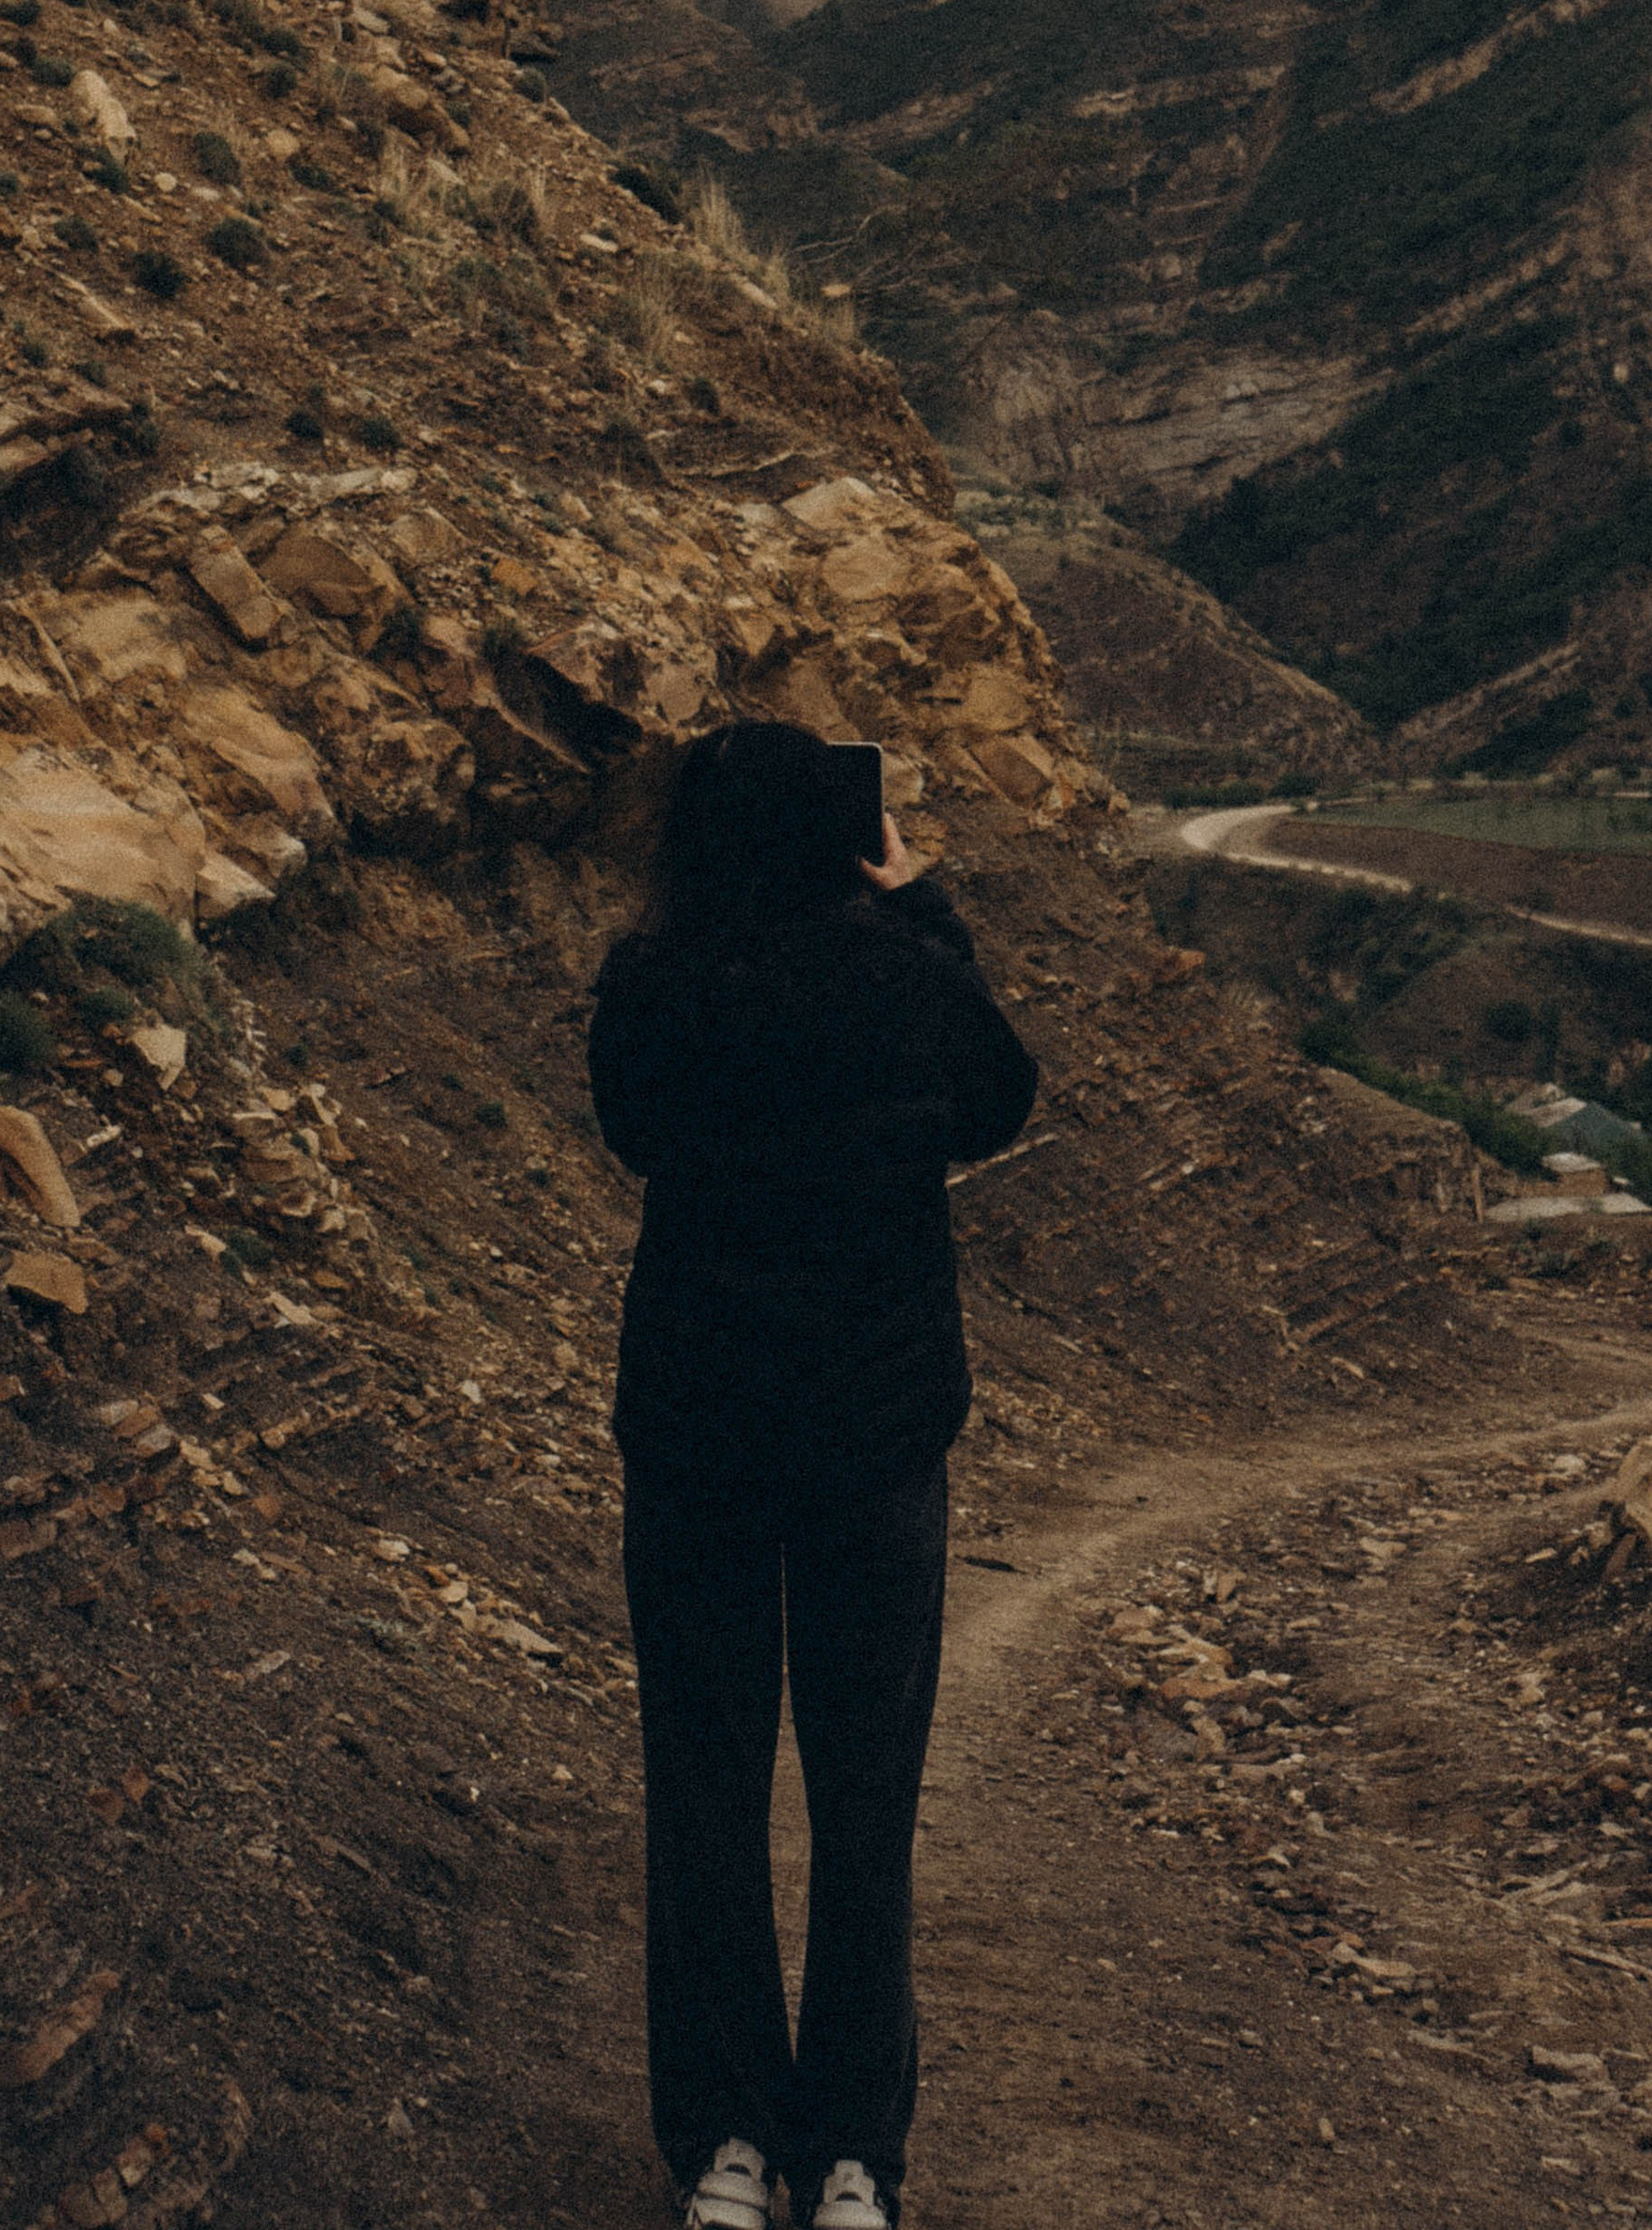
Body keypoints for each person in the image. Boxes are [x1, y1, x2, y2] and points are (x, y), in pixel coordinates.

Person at [589, 719, 1038, 2230]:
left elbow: (628, 1130)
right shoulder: (905, 980)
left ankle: (725, 2144)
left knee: (704, 1791)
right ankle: (853, 2158)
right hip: (875, 1436)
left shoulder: (653, 986)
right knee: (865, 1802)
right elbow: (1001, 1098)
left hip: (698, 1435)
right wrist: (926, 909)